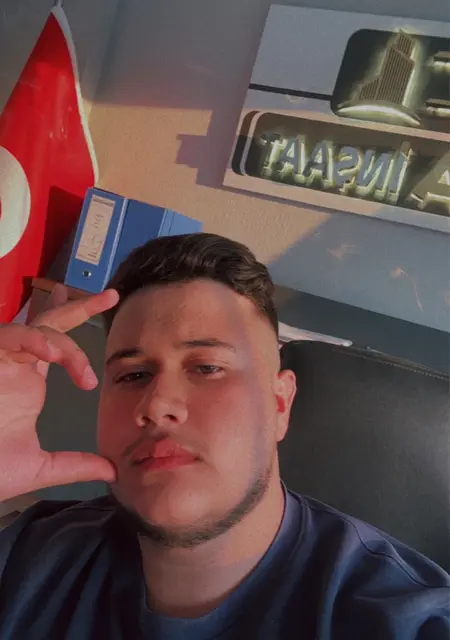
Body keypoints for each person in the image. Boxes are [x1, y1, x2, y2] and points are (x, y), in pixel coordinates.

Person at [0, 233, 448, 640]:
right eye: (133, 375)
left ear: (279, 404)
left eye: (207, 367)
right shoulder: (30, 558)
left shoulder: (402, 620)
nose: (157, 404)